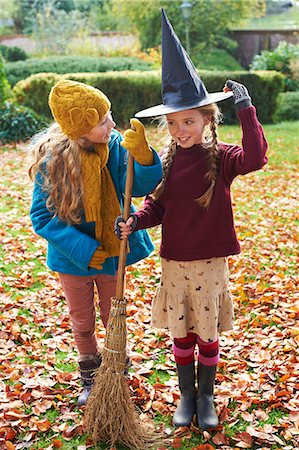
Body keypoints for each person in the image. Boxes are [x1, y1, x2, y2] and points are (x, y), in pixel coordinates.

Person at [115, 10, 268, 430]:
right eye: (173, 122)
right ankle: (185, 394)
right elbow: (157, 208)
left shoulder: (221, 158)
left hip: (210, 262)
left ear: (206, 119)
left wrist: (246, 108)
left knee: (207, 331)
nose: (180, 129)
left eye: (189, 120)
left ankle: (206, 396)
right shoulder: (166, 163)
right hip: (175, 262)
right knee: (181, 331)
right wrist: (134, 222)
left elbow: (256, 158)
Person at [28, 79, 162, 407]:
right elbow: (42, 219)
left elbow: (139, 186)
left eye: (110, 115)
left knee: (113, 316)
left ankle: (116, 373)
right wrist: (85, 250)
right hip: (72, 258)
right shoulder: (53, 162)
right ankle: (89, 376)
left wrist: (143, 158)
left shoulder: (115, 147)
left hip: (112, 250)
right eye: (103, 120)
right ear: (83, 126)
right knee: (83, 320)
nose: (112, 124)